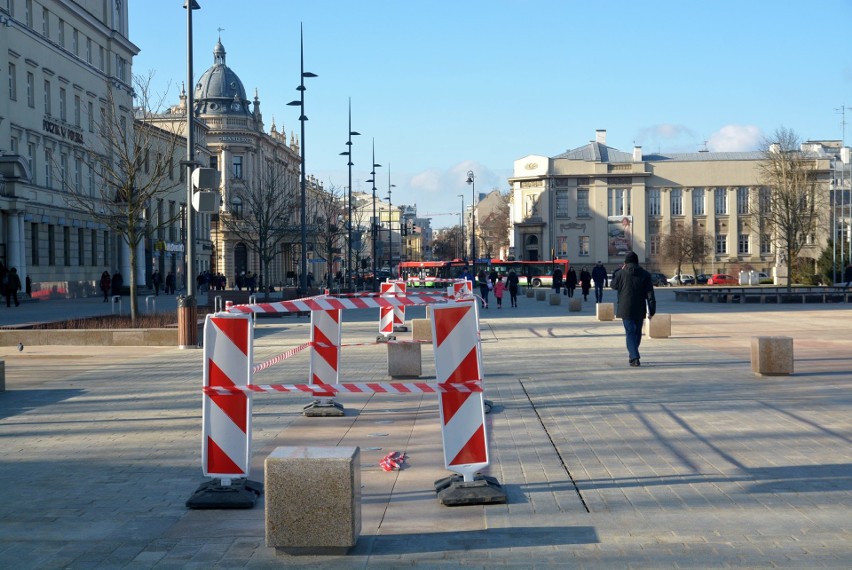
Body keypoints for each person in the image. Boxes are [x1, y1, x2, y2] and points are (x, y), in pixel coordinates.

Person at [610, 251, 656, 367]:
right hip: (639, 308)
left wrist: (617, 271)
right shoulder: (645, 274)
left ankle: (634, 357)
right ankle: (633, 355)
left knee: (630, 332)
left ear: (626, 262)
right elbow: (650, 293)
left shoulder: (621, 273)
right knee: (637, 333)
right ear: (637, 261)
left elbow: (613, 286)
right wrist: (652, 309)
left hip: (625, 308)